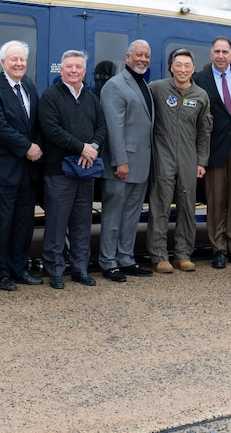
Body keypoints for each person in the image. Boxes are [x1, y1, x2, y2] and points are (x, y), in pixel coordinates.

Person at [38, 50, 107, 289]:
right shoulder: (50, 96)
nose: (74, 70)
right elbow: (51, 129)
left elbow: (101, 126)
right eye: (69, 67)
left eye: (78, 67)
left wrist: (94, 147)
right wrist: (81, 148)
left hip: (86, 172)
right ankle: (55, 270)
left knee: (81, 223)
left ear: (85, 71)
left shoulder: (91, 98)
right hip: (59, 172)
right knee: (56, 224)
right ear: (61, 69)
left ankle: (80, 269)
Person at [0, 40, 44, 291]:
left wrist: (36, 145)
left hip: (27, 171)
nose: (19, 63)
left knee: (23, 223)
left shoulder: (28, 86)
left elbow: (36, 122)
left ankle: (18, 269)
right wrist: (27, 147)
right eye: (13, 59)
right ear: (3, 62)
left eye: (22, 60)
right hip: (1, 170)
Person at [148, 49, 212, 272]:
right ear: (171, 67)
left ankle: (183, 254)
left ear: (193, 69)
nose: (183, 69)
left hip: (189, 157)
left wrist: (202, 161)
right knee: (160, 206)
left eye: (187, 65)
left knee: (187, 207)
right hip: (162, 155)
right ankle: (159, 255)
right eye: (178, 65)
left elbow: (205, 132)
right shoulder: (157, 88)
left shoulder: (201, 96)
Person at [192, 36, 231, 269]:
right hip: (213, 149)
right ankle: (218, 249)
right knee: (216, 201)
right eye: (216, 51)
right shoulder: (199, 79)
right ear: (210, 54)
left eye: (224, 52)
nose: (220, 55)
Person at [98, 40, 156, 282]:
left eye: (147, 56)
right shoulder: (115, 86)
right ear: (128, 57)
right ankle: (108, 262)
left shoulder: (143, 84)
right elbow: (114, 127)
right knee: (113, 216)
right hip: (121, 166)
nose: (143, 59)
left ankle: (126, 258)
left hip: (140, 165)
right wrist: (120, 161)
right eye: (138, 55)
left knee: (131, 216)